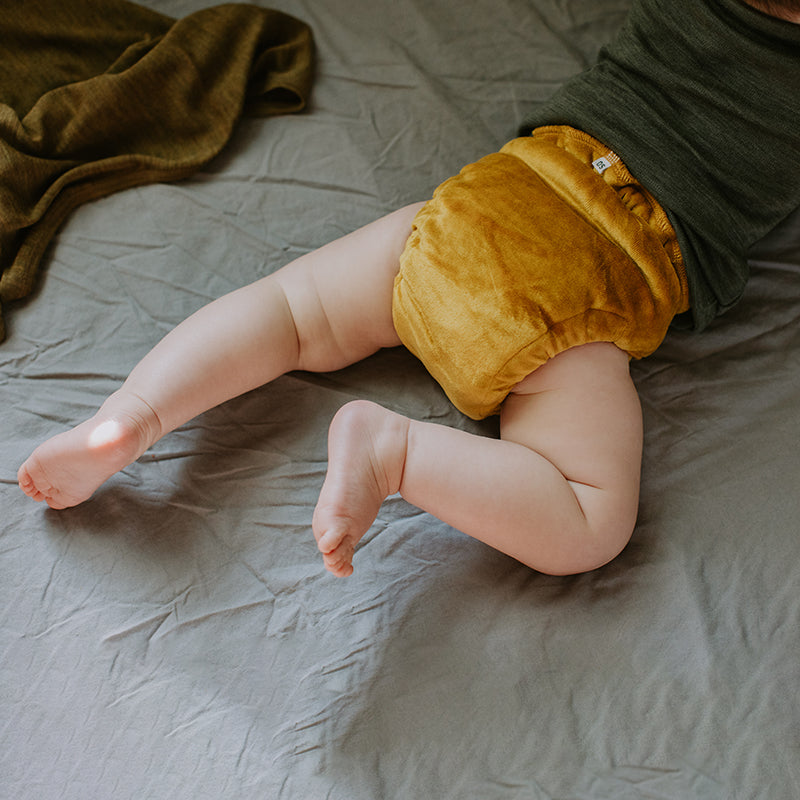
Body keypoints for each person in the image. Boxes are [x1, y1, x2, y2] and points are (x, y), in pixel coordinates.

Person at [17, 0, 800, 578]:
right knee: (588, 521)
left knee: (286, 311)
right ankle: (394, 452)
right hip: (589, 282)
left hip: (493, 197)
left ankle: (129, 418)